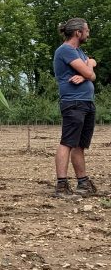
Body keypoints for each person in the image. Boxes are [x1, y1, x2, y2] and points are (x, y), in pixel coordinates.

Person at [53, 18, 97, 198]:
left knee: (79, 144)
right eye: (86, 30)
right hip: (74, 102)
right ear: (78, 32)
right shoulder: (65, 50)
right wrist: (87, 71)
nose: (88, 33)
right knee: (68, 142)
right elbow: (90, 72)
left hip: (86, 101)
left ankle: (83, 183)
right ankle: (61, 186)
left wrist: (87, 71)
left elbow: (91, 66)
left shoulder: (78, 51)